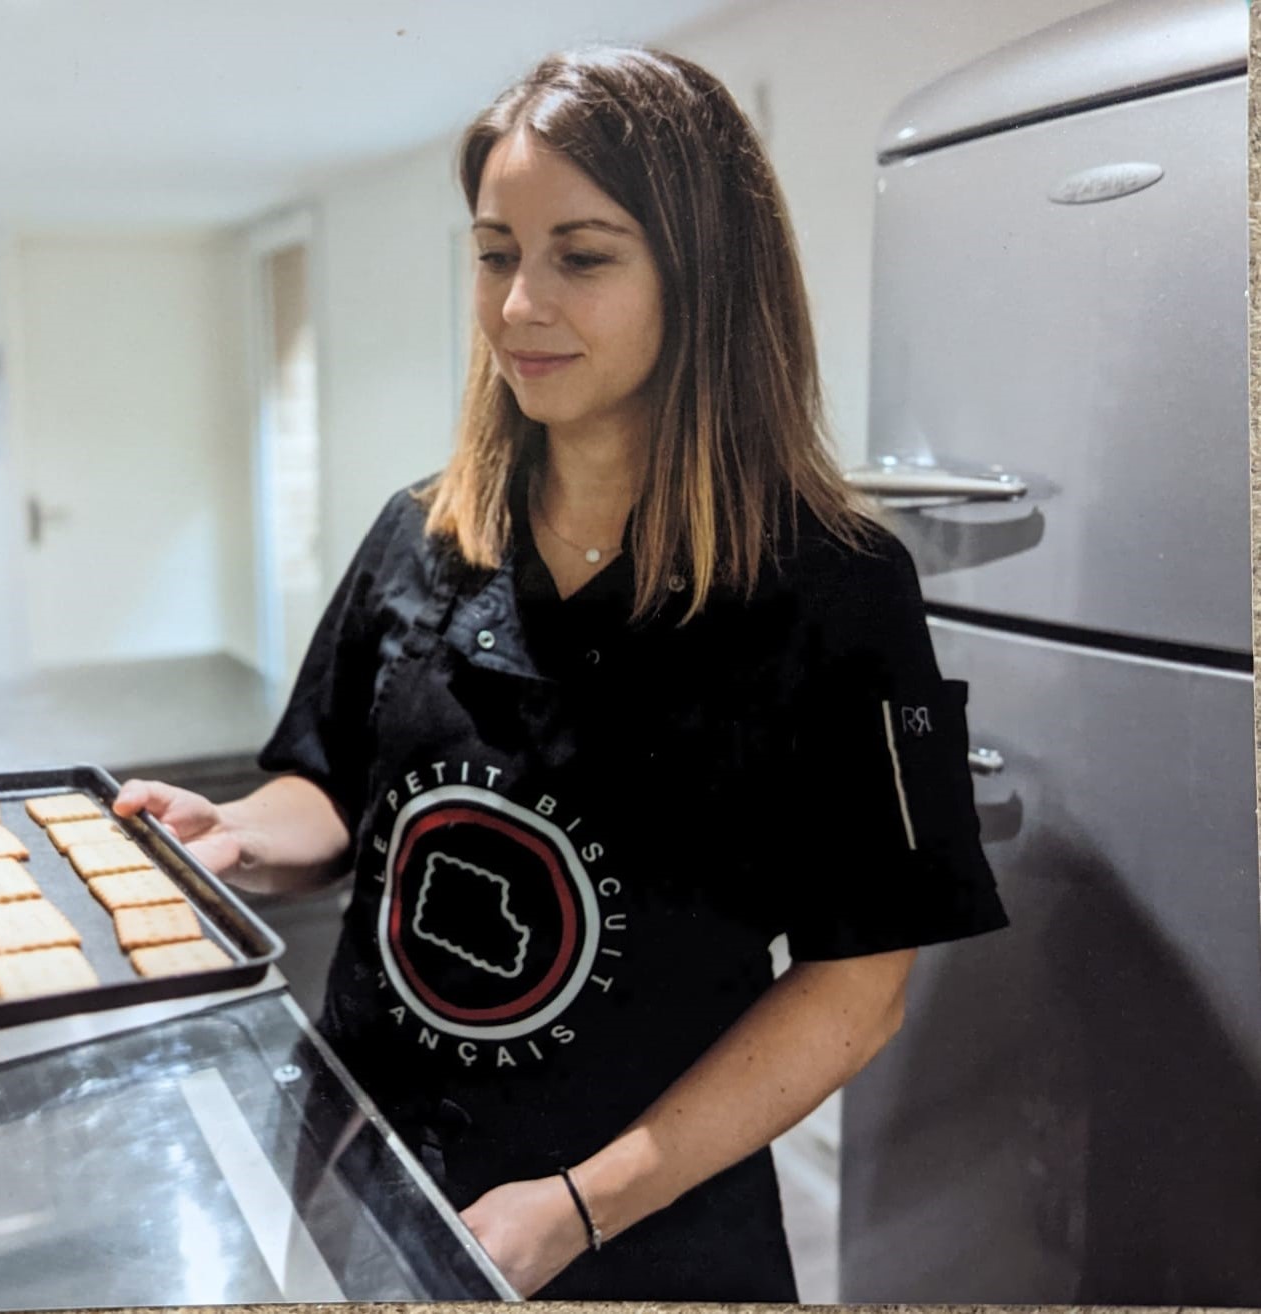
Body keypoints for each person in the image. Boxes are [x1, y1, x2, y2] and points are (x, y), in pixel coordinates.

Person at [113, 44, 1009, 1302]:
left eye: (580, 257)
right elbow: (332, 790)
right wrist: (242, 835)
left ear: (701, 278)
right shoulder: (423, 530)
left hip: (638, 1219)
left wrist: (583, 1207)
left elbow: (855, 989)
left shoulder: (834, 590)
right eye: (493, 254)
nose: (518, 305)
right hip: (356, 1149)